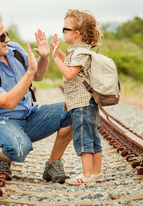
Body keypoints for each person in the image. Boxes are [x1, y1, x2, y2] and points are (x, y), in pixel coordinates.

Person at [0, 15, 73, 183]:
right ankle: (0, 158)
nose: (7, 39)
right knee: (19, 148)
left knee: (74, 109)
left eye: (6, 33)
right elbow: (9, 102)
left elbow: (38, 76)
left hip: (28, 116)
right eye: (2, 37)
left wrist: (44, 57)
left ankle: (53, 165)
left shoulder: (14, 50)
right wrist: (30, 72)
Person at [50, 9, 103, 185]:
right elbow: (72, 65)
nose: (62, 31)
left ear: (76, 33)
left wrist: (55, 59)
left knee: (83, 138)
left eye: (65, 29)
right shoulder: (80, 50)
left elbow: (70, 73)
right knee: (93, 136)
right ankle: (96, 172)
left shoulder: (80, 52)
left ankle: (87, 175)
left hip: (82, 103)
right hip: (88, 102)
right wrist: (58, 53)